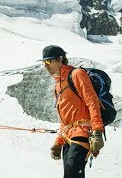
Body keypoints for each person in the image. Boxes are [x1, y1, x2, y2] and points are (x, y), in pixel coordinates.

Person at [39, 45, 105, 178]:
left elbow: (92, 102)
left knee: (73, 174)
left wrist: (97, 131)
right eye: (43, 62)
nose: (45, 66)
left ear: (59, 59)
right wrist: (58, 143)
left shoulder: (77, 74)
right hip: (68, 137)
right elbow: (65, 120)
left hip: (82, 132)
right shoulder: (58, 86)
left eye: (48, 61)